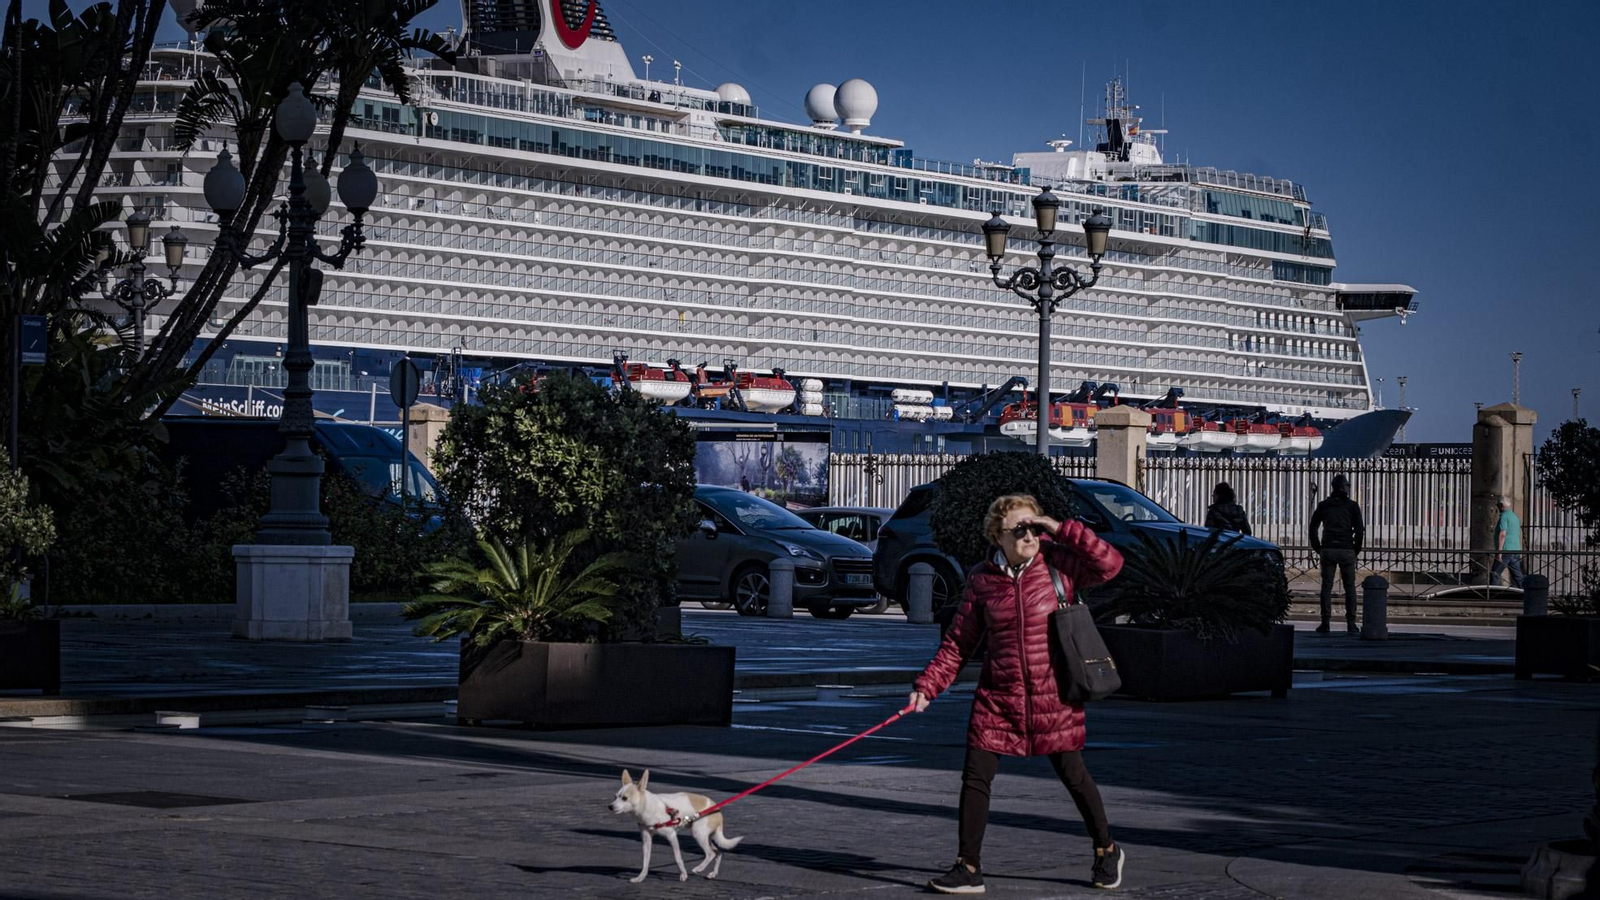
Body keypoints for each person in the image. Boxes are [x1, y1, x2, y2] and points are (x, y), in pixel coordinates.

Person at [909, 494, 1127, 893]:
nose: (1030, 534)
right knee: (976, 777)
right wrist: (928, 686)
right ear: (998, 536)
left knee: (1074, 775)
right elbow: (959, 642)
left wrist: (1059, 528)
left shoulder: (1058, 563)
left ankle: (1106, 849)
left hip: (1053, 694)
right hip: (998, 696)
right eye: (1020, 528)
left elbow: (1110, 564)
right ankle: (968, 867)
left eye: (1034, 525)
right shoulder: (982, 579)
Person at [1309, 474, 1365, 634]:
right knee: (1350, 588)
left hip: (1328, 549)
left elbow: (1313, 528)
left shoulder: (1324, 505)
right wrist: (1356, 550)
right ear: (1343, 487)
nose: (1348, 488)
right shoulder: (1352, 506)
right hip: (1346, 549)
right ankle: (1351, 624)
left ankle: (1325, 622)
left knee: (1326, 586)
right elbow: (1359, 530)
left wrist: (1318, 547)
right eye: (1347, 485)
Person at [1490, 495, 1524, 588]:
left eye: (1497, 505)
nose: (1497, 507)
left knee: (1495, 573)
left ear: (1501, 505)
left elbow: (1503, 534)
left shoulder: (1504, 516)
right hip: (1515, 550)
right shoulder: (1515, 517)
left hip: (1505, 550)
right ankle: (1525, 592)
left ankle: (1492, 595)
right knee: (1518, 576)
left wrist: (1499, 552)